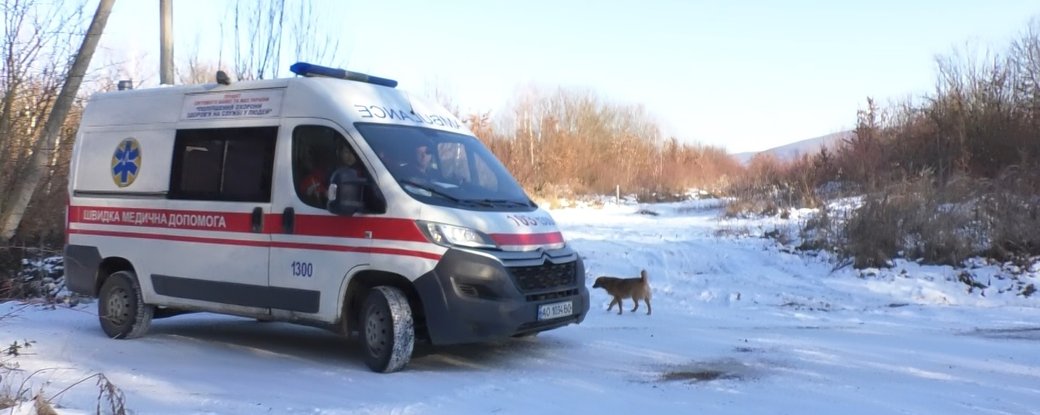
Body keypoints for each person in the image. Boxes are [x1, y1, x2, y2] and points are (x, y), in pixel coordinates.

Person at [297, 141, 365, 206]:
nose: (351, 155)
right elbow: (312, 182)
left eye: (354, 152)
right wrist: (322, 192)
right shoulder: (329, 171)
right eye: (347, 152)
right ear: (338, 152)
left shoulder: (364, 172)